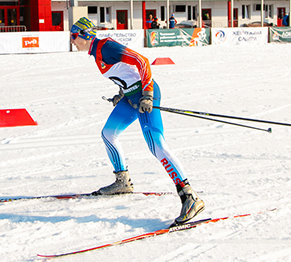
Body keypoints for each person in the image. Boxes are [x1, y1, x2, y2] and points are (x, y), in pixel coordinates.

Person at [70, 17, 205, 226]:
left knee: (156, 145)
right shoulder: (96, 53)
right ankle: (122, 180)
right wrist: (121, 93)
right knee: (108, 133)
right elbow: (126, 73)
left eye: (74, 35)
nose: (72, 40)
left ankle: (190, 196)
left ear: (86, 36)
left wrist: (148, 94)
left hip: (144, 95)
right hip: (130, 97)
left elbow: (141, 61)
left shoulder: (107, 48)